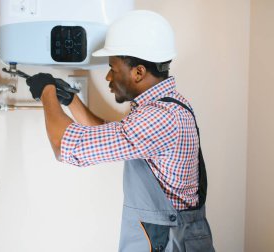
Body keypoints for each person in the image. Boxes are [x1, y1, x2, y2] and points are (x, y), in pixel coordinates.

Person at [26, 10, 214, 252]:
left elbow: (63, 146)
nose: (107, 76)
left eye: (113, 68)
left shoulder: (159, 118)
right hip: (168, 237)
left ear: (138, 72)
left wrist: (47, 92)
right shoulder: (167, 106)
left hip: (165, 242)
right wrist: (71, 99)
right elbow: (112, 136)